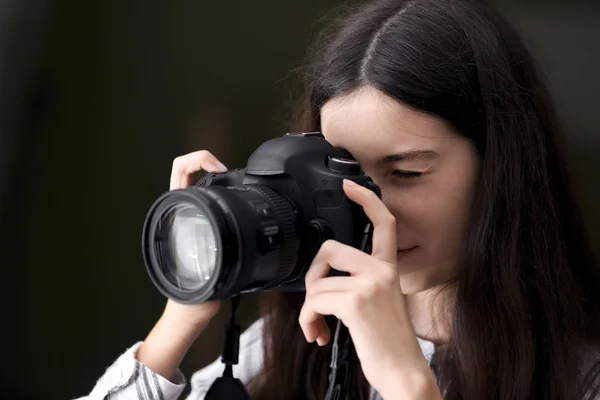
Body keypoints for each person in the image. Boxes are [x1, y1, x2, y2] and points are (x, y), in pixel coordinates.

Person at [80, 0, 600, 398]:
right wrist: (183, 309)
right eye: (341, 175)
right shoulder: (287, 346)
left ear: (502, 166)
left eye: (407, 172)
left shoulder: (582, 374)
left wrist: (406, 381)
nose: (371, 211)